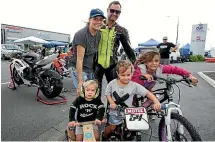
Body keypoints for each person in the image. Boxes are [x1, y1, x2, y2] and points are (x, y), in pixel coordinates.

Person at [103, 60, 161, 140]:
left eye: (128, 75)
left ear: (132, 74)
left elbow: (148, 93)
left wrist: (156, 101)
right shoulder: (112, 83)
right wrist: (111, 102)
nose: (126, 77)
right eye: (123, 75)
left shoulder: (134, 85)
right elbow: (107, 94)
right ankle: (104, 136)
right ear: (117, 74)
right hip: (115, 110)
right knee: (112, 128)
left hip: (128, 111)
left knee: (131, 129)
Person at [131, 51, 198, 112]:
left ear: (159, 61)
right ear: (145, 62)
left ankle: (145, 108)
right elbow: (133, 79)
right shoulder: (140, 68)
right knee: (130, 105)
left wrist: (189, 75)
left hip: (147, 88)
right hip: (135, 88)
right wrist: (143, 75)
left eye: (156, 61)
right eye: (150, 61)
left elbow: (174, 69)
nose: (154, 63)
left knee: (153, 98)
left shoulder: (159, 68)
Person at [94, 1, 136, 97]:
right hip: (96, 65)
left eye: (117, 12)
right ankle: (96, 111)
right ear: (107, 10)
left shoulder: (121, 30)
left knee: (116, 93)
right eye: (112, 11)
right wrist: (72, 49)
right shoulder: (97, 25)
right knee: (94, 92)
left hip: (112, 65)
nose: (114, 14)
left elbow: (128, 49)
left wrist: (136, 64)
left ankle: (113, 111)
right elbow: (85, 39)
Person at [68, 8, 106, 95]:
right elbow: (79, 59)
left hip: (89, 69)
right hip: (78, 68)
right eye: (95, 19)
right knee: (84, 94)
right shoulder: (82, 34)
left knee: (90, 95)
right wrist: (80, 81)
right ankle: (77, 108)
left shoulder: (99, 34)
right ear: (89, 20)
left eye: (100, 20)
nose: (98, 22)